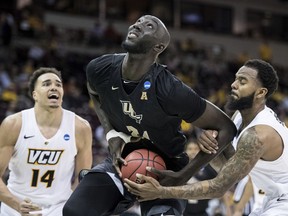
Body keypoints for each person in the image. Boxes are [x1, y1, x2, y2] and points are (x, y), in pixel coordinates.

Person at [63, 15, 236, 216]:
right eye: (138, 21)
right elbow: (93, 91)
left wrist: (181, 176)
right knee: (74, 211)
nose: (137, 24)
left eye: (149, 25)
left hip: (166, 169)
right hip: (123, 160)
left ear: (158, 47)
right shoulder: (100, 68)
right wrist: (111, 134)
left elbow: (227, 128)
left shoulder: (171, 90)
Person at [124, 59, 288, 216]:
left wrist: (161, 192)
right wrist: (209, 146)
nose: (233, 84)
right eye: (236, 78)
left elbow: (219, 187)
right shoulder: (239, 117)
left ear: (260, 92)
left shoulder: (259, 134)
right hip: (270, 197)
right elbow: (230, 170)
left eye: (242, 81)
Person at [0, 67, 93, 216]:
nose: (54, 87)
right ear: (35, 95)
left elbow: (83, 178)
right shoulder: (13, 125)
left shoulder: (80, 128)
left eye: (58, 84)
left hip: (58, 208)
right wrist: (16, 204)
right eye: (46, 84)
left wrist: (70, 207)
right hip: (15, 207)